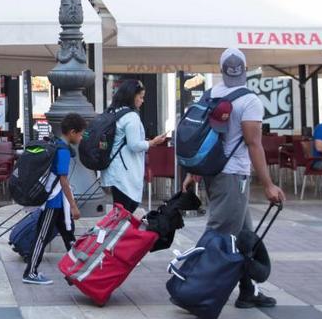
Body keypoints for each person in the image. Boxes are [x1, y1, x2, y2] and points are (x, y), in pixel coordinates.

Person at [183, 48, 285, 310]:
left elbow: (199, 135)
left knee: (245, 234)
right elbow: (253, 143)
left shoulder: (211, 94)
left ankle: (248, 290)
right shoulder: (249, 100)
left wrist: (194, 170)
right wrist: (269, 184)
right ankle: (191, 289)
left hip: (214, 171)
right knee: (216, 234)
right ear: (246, 68)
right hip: (233, 176)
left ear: (221, 69)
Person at [23, 112, 85, 285]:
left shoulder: (56, 144)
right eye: (80, 134)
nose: (81, 138)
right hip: (54, 201)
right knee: (42, 236)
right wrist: (73, 206)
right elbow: (63, 180)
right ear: (72, 132)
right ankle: (30, 272)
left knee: (68, 235)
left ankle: (77, 271)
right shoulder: (63, 151)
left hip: (57, 202)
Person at [101, 80, 167, 213]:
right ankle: (115, 234)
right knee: (124, 215)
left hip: (115, 171)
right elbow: (134, 145)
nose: (142, 101)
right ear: (132, 96)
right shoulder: (131, 117)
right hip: (125, 174)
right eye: (141, 97)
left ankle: (117, 233)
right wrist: (153, 142)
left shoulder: (114, 112)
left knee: (119, 214)